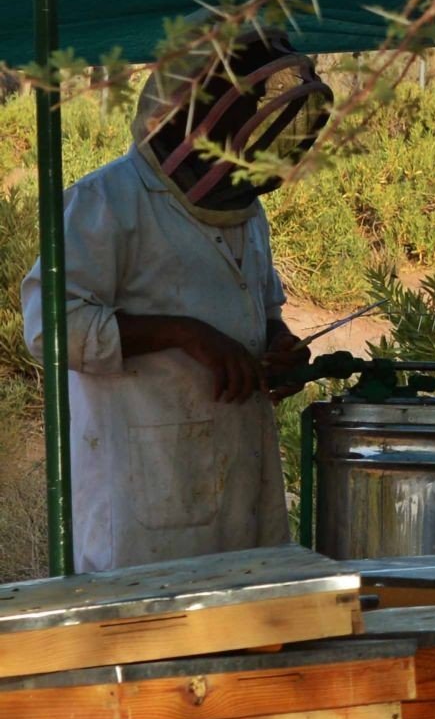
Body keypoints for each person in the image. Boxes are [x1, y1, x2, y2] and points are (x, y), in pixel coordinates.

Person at [19, 37, 331, 571]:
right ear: (197, 114)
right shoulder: (106, 201)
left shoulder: (244, 209)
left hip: (239, 485)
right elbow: (51, 325)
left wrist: (279, 345)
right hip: (142, 501)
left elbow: (262, 309)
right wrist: (187, 336)